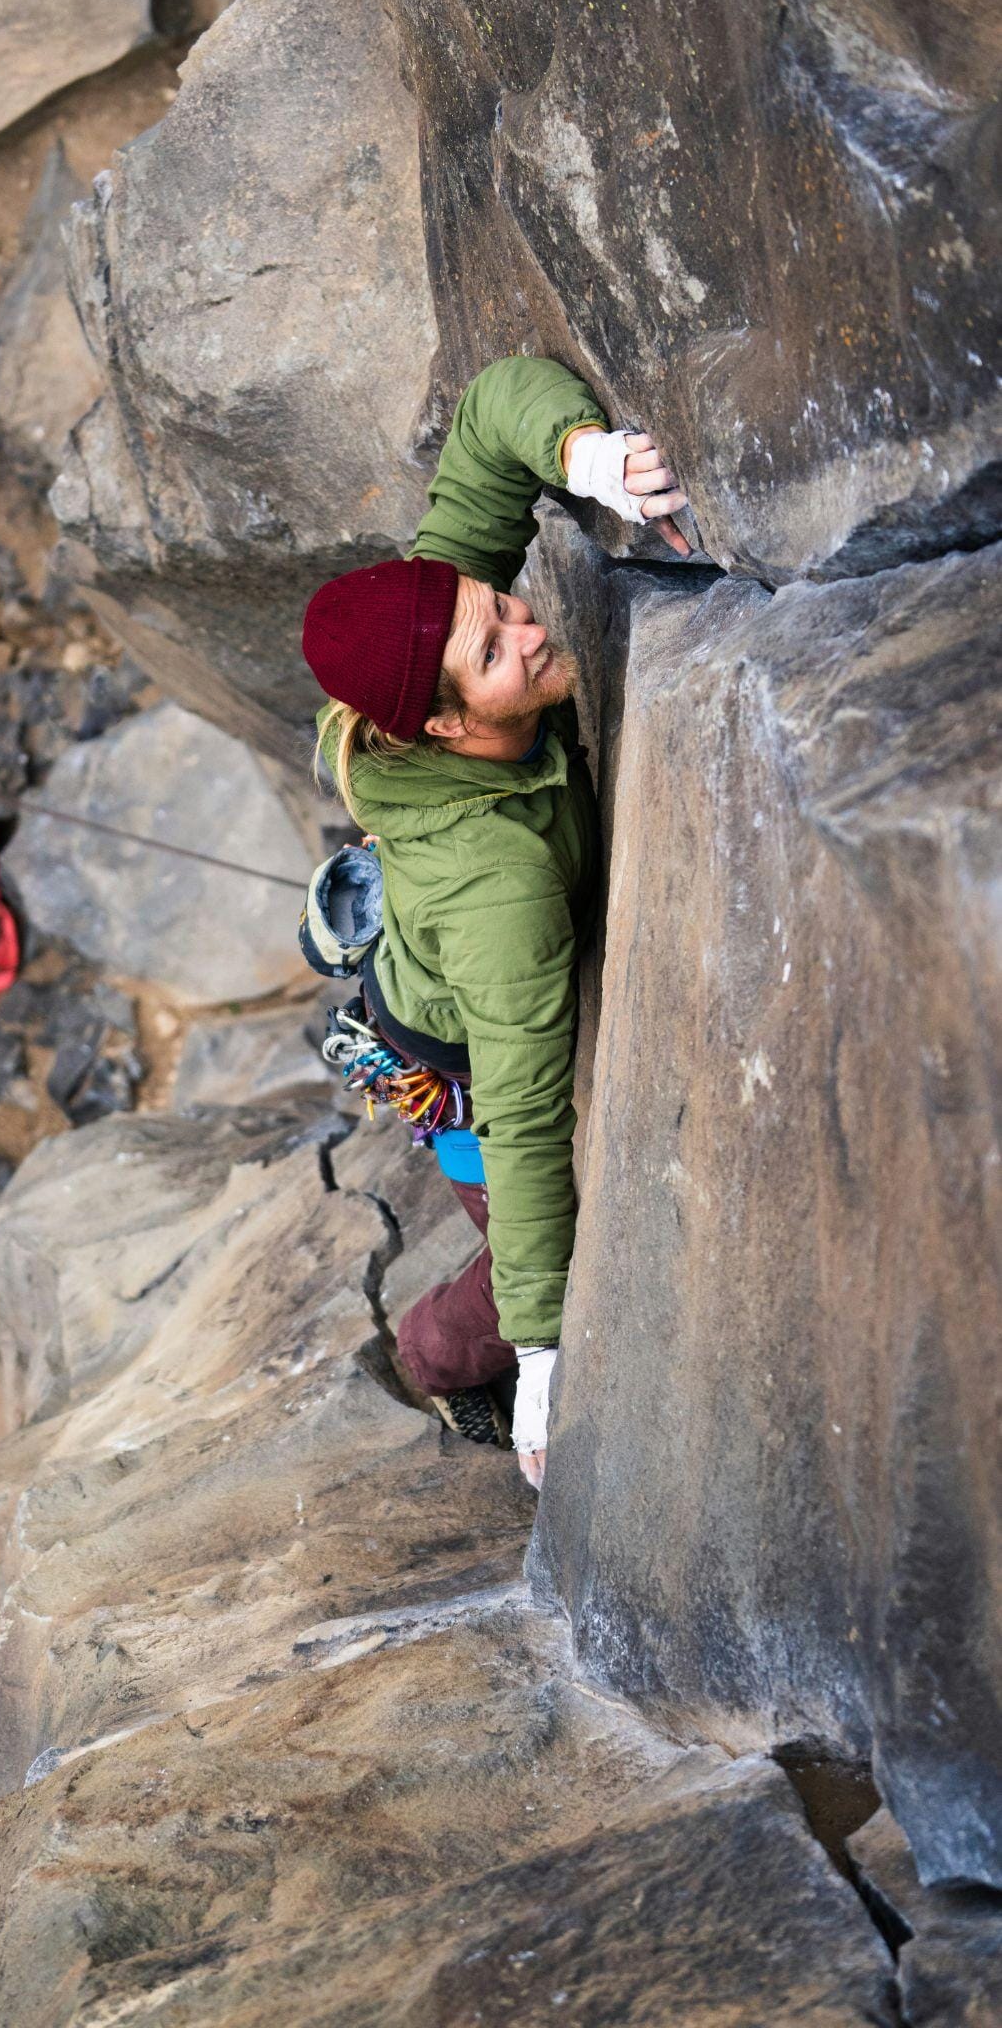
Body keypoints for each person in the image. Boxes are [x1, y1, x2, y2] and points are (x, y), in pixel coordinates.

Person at [301, 356, 688, 1490]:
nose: (522, 626)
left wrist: (587, 457)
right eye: (492, 650)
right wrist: (542, 1347)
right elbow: (521, 1116)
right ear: (440, 729)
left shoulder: (436, 644)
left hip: (437, 969)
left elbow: (488, 413)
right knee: (535, 1244)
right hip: (457, 1059)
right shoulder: (499, 889)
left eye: (501, 608)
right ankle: (436, 1349)